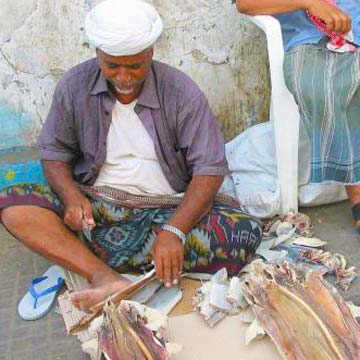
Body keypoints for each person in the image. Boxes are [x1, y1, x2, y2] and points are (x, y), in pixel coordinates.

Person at [0, 0, 262, 311]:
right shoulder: (74, 85)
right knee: (14, 204)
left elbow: (210, 169)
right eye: (112, 66)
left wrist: (174, 230)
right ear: (98, 54)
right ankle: (105, 277)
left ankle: (79, 256)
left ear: (151, 53)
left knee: (243, 235)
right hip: (96, 205)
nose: (124, 76)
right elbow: (55, 153)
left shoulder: (181, 92)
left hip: (164, 210)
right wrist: (71, 198)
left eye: (134, 66)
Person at [235, 0, 360, 229]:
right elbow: (245, 4)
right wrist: (309, 3)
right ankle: (357, 193)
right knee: (321, 85)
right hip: (311, 43)